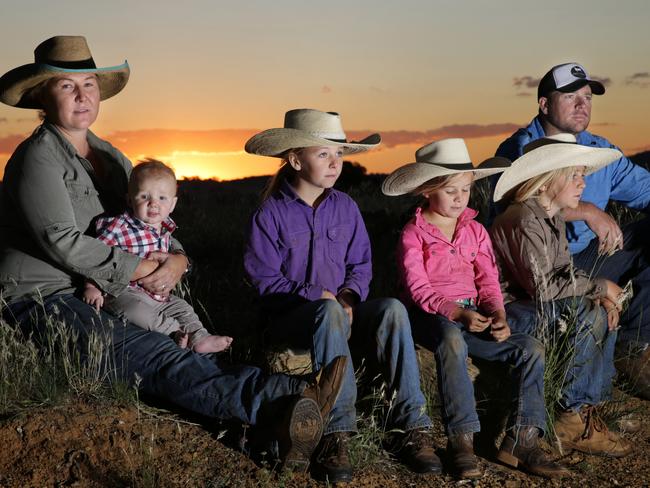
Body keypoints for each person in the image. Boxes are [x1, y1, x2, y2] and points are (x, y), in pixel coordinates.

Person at [0, 35, 349, 473]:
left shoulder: (111, 157)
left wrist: (177, 259)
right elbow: (61, 241)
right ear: (42, 95)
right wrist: (145, 267)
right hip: (47, 295)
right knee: (151, 352)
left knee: (179, 342)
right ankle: (282, 397)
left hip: (113, 287)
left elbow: (151, 219)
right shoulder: (38, 158)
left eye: (88, 84)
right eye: (66, 86)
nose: (82, 95)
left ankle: (265, 437)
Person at [243, 108, 441, 483]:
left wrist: (349, 297)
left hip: (343, 311)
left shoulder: (346, 208)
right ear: (295, 159)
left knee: (393, 309)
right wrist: (320, 297)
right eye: (323, 154)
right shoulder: (269, 215)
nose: (335, 164)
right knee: (329, 312)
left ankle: (411, 425)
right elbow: (265, 281)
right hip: (292, 319)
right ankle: (336, 432)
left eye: (339, 155)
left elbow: (361, 265)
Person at [383, 138, 567, 479]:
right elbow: (418, 288)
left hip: (473, 317)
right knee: (451, 339)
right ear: (426, 190)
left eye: (465, 190)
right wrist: (456, 312)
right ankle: (461, 441)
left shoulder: (476, 231)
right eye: (450, 190)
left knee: (530, 348)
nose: (459, 198)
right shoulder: (414, 234)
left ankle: (523, 438)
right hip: (430, 316)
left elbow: (488, 281)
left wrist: (497, 314)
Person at [493, 62, 650, 398]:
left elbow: (644, 188)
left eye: (588, 97)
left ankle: (635, 346)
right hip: (544, 266)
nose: (583, 104)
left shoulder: (598, 147)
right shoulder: (521, 149)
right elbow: (518, 210)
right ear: (544, 105)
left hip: (593, 255)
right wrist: (586, 211)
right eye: (571, 96)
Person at [490, 134, 632, 457]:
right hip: (513, 311)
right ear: (544, 183)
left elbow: (564, 274)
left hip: (536, 305)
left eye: (582, 174)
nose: (582, 183)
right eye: (573, 175)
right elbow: (545, 289)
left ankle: (591, 406)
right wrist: (599, 287)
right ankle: (571, 414)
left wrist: (602, 293)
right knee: (588, 310)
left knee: (604, 307)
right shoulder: (524, 219)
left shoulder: (550, 216)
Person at [82, 159, 233, 353]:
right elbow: (97, 254)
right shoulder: (118, 226)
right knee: (136, 312)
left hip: (160, 296)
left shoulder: (165, 228)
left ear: (172, 204)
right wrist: (91, 286)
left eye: (162, 198)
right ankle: (174, 333)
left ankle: (200, 337)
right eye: (144, 196)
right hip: (123, 291)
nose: (153, 203)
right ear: (130, 199)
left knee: (183, 308)